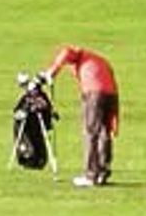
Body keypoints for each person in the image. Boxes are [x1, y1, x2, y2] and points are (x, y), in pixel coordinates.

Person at [42, 45, 119, 188]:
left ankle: (91, 175)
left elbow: (66, 52)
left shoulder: (81, 55)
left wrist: (51, 72)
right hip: (110, 95)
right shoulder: (99, 60)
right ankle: (102, 172)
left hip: (94, 94)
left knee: (91, 133)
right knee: (104, 133)